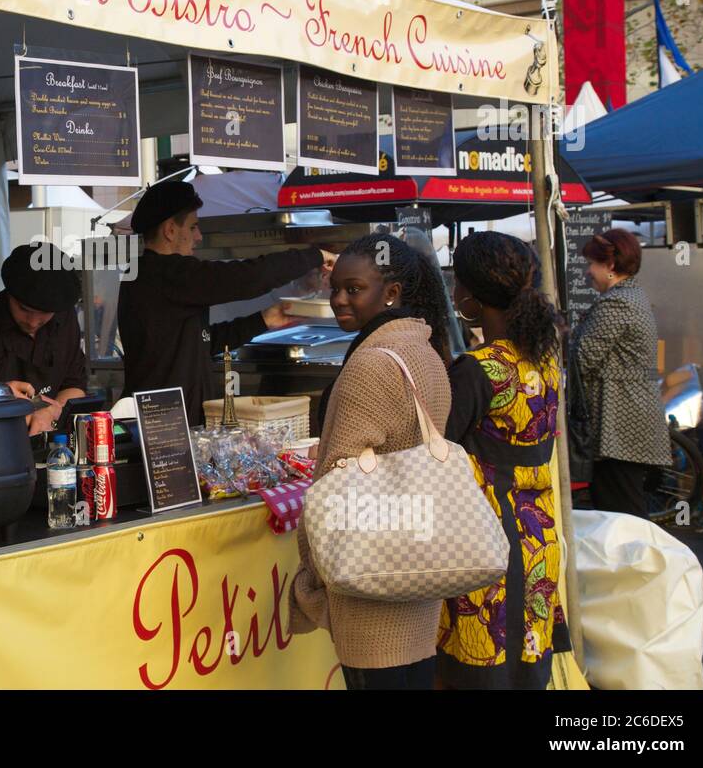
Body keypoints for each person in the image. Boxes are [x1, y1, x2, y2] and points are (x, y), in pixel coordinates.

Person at [290, 233, 452, 690]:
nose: (339, 299)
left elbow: (331, 488)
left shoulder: (373, 364)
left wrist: (312, 579)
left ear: (392, 293)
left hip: (371, 584)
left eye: (354, 289)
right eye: (335, 287)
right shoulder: (424, 351)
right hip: (419, 570)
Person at [436, 231, 571, 690]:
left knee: (483, 673)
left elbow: (435, 449)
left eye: (457, 282)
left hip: (485, 545)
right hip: (538, 540)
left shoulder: (477, 368)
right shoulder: (546, 358)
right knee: (526, 671)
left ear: (471, 297)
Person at [118, 180, 335, 424]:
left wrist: (265, 319)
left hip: (176, 423)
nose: (198, 237)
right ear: (170, 230)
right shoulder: (165, 274)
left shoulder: (155, 276)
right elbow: (246, 277)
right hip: (165, 428)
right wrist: (312, 255)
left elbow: (204, 342)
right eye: (193, 227)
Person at [568, 229, 671, 517]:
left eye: (592, 264)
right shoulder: (632, 295)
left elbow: (581, 358)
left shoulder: (617, 302)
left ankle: (636, 564)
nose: (588, 272)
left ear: (610, 266)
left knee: (620, 515)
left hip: (619, 425)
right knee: (622, 510)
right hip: (629, 421)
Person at [0, 243, 88, 437]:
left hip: (54, 441)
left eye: (44, 314)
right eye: (24, 309)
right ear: (9, 294)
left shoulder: (64, 318)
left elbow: (75, 385)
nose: (33, 322)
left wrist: (51, 412)